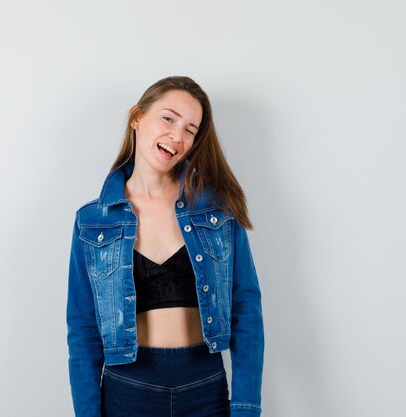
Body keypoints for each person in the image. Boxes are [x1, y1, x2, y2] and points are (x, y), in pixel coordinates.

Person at [66, 75, 265, 417]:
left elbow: (247, 312)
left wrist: (246, 407)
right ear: (137, 117)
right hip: (127, 391)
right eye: (169, 118)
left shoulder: (216, 211)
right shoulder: (93, 221)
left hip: (204, 389)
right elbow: (83, 331)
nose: (177, 135)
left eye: (191, 129)